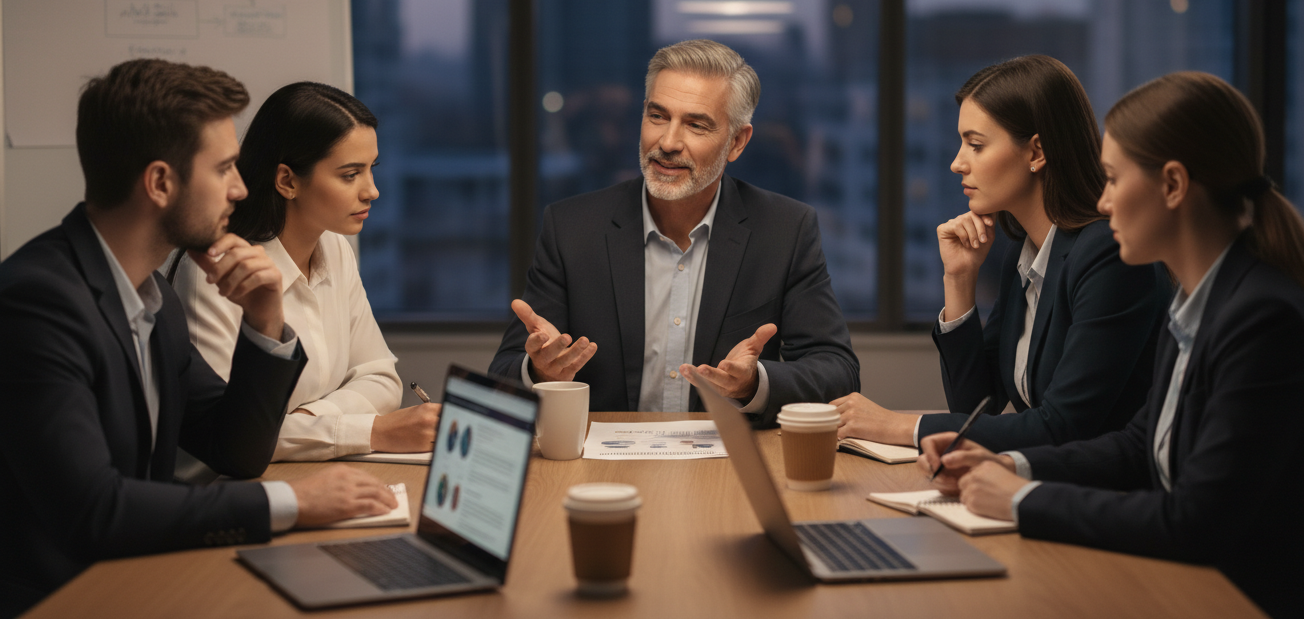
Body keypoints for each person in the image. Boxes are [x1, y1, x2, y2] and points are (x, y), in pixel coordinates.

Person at [920, 72, 1304, 618]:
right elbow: (1137, 445)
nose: (1103, 201)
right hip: (1187, 584)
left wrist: (1022, 499)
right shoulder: (1197, 300)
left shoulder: (1264, 320)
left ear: (1173, 186)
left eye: (1114, 180)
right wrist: (1010, 465)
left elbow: (1196, 520)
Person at [0, 60, 397, 616]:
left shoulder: (152, 301)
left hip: (140, 577)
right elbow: (94, 510)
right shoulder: (39, 302)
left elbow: (237, 451)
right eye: (224, 168)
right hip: (60, 600)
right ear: (161, 183)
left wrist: (264, 322)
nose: (241, 188)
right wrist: (290, 500)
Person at [488, 39, 860, 423]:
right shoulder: (571, 229)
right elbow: (503, 373)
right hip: (599, 457)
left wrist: (754, 383)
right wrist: (540, 372)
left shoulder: (785, 230)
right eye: (658, 116)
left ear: (736, 142)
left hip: (722, 455)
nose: (667, 142)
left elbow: (838, 371)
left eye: (696, 125)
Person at [833, 55, 1167, 451]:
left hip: (1108, 485)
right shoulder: (1025, 253)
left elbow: (1064, 428)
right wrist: (959, 278)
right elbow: (976, 406)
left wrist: (899, 425)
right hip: (1046, 479)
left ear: (1036, 152)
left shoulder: (1108, 256)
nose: (957, 163)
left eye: (976, 145)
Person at [172, 82, 439, 461]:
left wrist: (308, 420)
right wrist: (371, 430)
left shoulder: (335, 248)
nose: (372, 191)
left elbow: (381, 378)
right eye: (350, 174)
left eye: (371, 169)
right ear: (287, 181)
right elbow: (233, 435)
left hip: (316, 468)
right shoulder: (216, 272)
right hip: (233, 484)